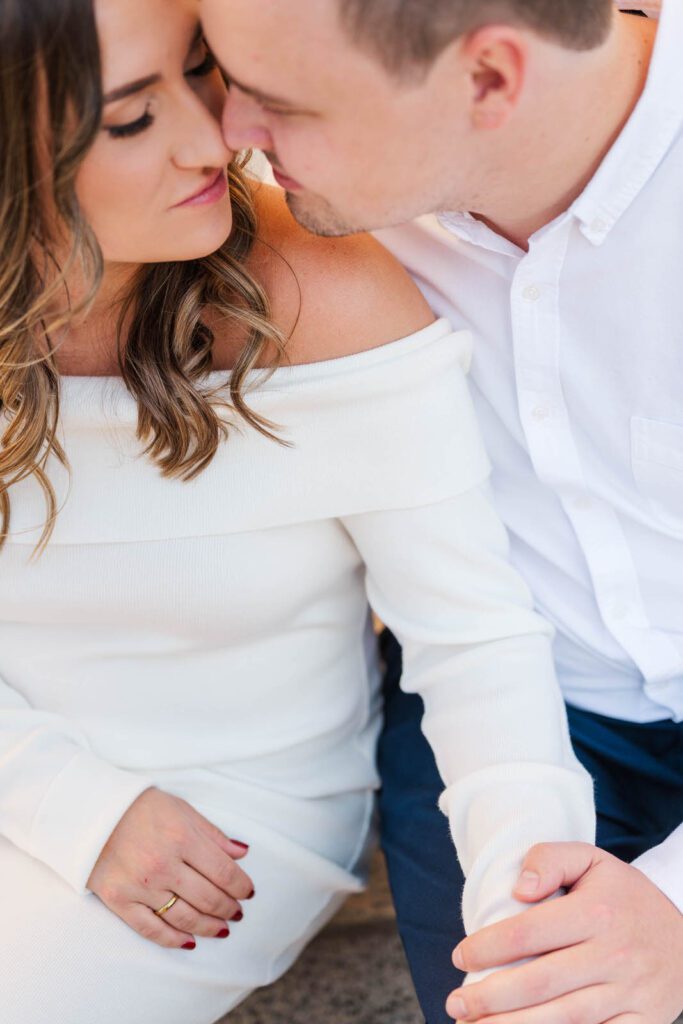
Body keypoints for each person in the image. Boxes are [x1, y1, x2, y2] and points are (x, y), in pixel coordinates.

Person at [0, 0, 595, 1021]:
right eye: (135, 118)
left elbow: (474, 642)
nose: (215, 138)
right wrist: (63, 799)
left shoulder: (324, 295)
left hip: (230, 819)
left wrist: (527, 909)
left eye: (203, 71)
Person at [198, 1, 683, 1023]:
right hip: (503, 700)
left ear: (490, 80)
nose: (228, 132)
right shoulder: (313, 201)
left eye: (279, 103)